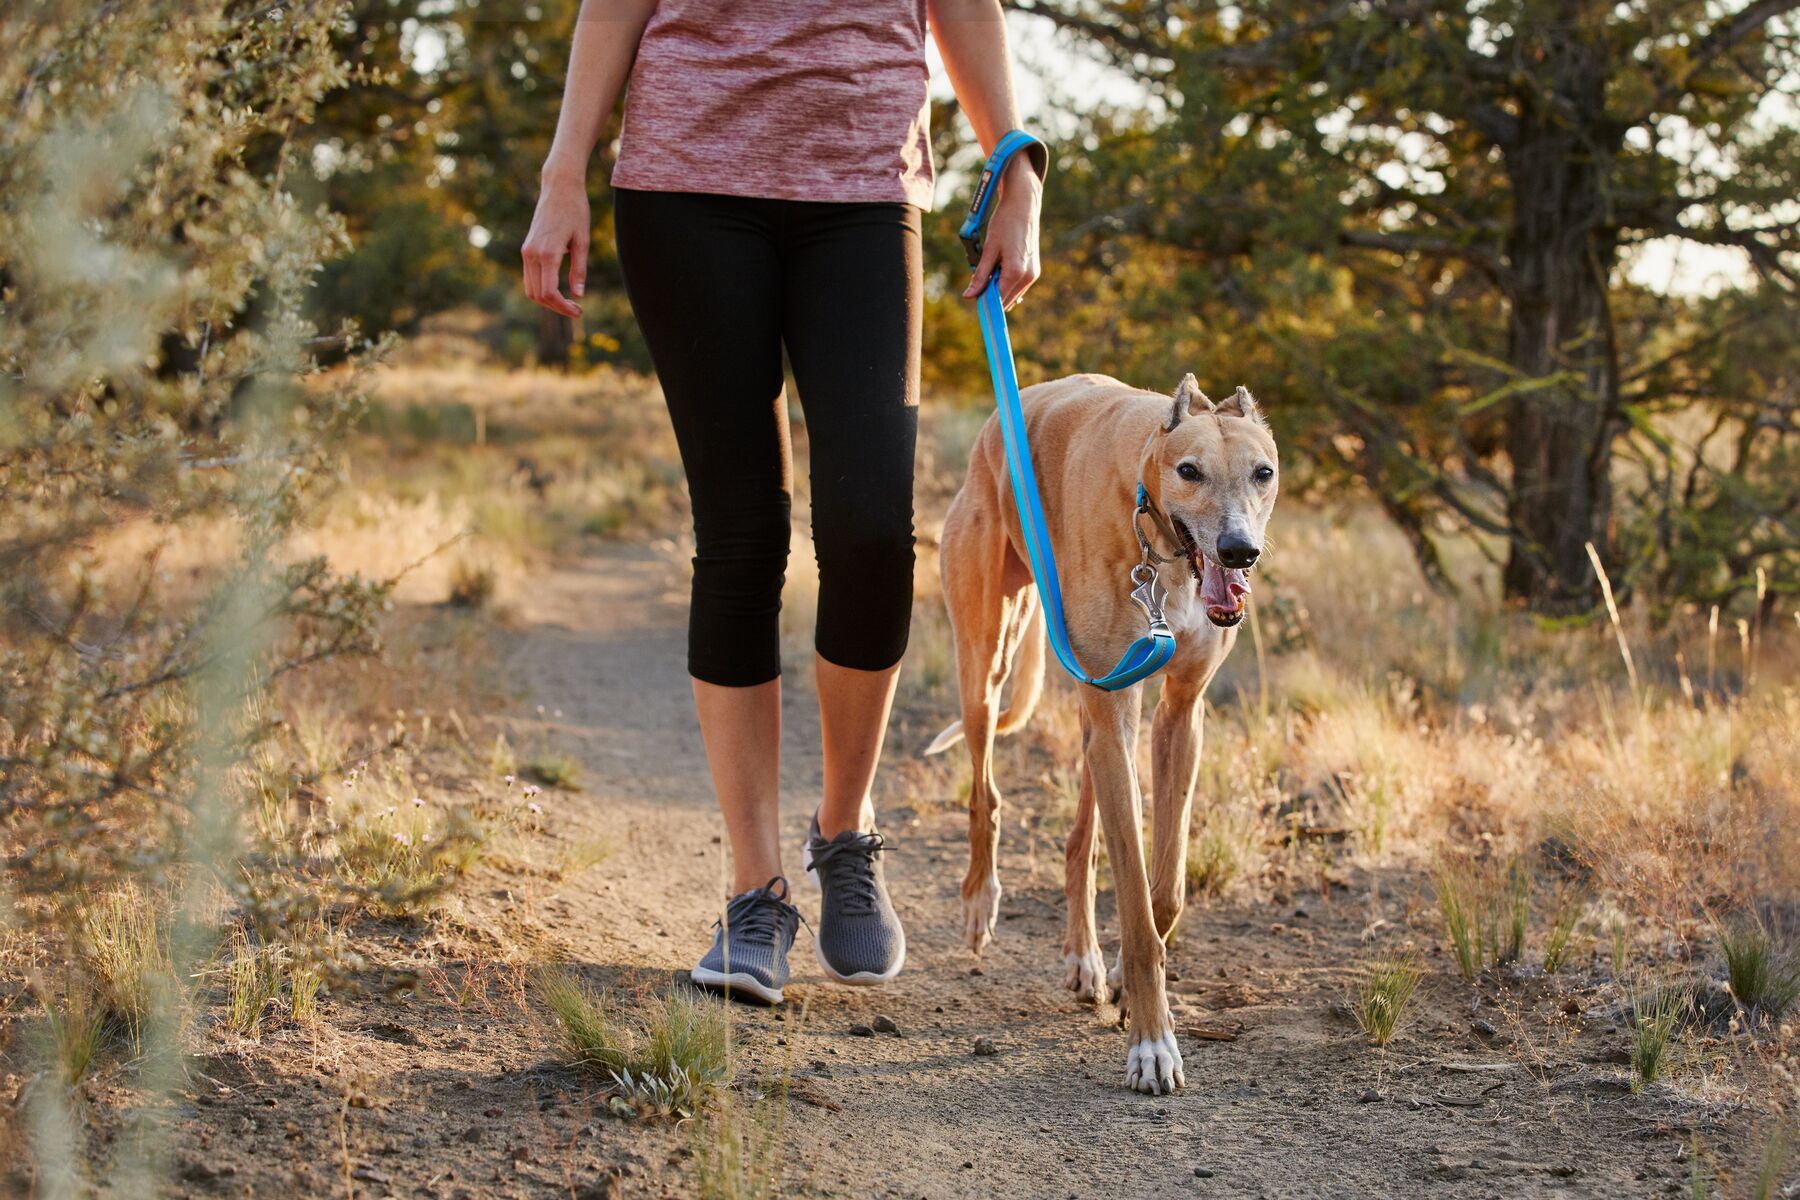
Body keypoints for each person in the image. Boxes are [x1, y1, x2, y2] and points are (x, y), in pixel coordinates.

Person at [523, 0, 1043, 1004]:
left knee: (868, 529)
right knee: (742, 532)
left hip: (861, 185)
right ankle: (753, 893)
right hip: (684, 183)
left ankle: (844, 832)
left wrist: (1013, 158)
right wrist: (563, 172)